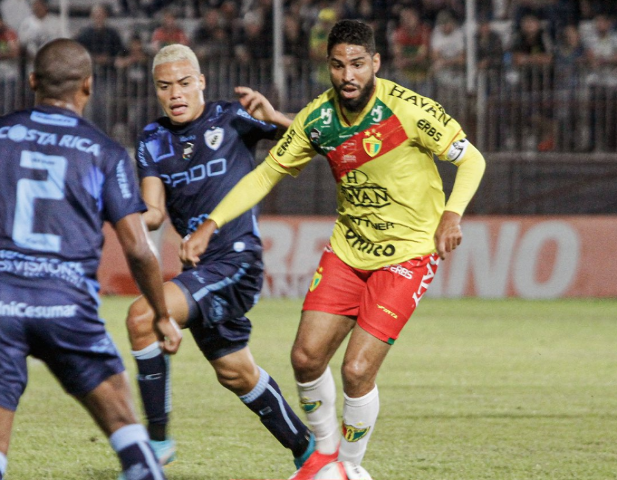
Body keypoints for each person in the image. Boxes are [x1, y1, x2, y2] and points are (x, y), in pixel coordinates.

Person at [181, 19, 486, 480]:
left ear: (376, 64)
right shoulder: (318, 118)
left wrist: (452, 214)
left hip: (407, 254)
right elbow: (266, 174)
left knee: (357, 369)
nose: (348, 76)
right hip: (349, 250)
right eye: (339, 65)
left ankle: (350, 469)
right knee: (304, 358)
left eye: (358, 65)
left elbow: (472, 159)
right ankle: (323, 457)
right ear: (329, 66)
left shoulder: (408, 109)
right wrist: (211, 223)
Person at [124, 43, 315, 475]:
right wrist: (120, 210)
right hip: (198, 271)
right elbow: (153, 214)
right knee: (235, 373)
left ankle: (156, 445)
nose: (175, 93)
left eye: (184, 83)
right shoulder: (153, 139)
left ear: (201, 83)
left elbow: (309, 142)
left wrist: (275, 118)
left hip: (236, 261)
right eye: (165, 86)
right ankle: (309, 450)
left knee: (141, 318)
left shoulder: (230, 117)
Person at [0, 38, 182, 480]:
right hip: (68, 309)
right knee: (128, 434)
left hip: (1, 305)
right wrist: (160, 313)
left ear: (31, 82)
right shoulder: (104, 152)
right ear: (88, 85)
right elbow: (138, 247)